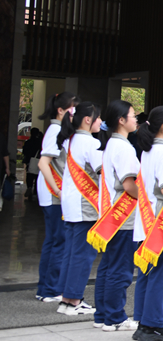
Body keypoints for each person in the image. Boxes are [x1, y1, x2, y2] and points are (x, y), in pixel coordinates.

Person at [91, 101, 140, 332]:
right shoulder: (124, 148)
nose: (135, 119)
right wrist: (148, 199)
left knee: (108, 267)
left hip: (111, 215)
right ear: (121, 120)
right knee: (120, 269)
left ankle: (102, 314)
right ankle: (115, 316)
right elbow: (129, 184)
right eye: (132, 115)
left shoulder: (111, 143)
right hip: (124, 217)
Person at [132, 106, 163, 341]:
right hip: (162, 223)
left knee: (147, 274)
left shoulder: (147, 151)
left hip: (146, 220)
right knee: (162, 275)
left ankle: (142, 322)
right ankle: (152, 324)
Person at [56, 101, 103, 316]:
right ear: (88, 120)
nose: (101, 122)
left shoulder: (71, 140)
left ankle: (66, 299)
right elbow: (103, 172)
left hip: (72, 204)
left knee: (71, 252)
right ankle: (74, 299)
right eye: (98, 118)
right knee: (83, 255)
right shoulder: (91, 144)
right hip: (87, 204)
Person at [35, 91, 78, 302]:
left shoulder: (58, 129)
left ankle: (46, 287)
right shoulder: (56, 130)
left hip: (52, 194)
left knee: (53, 241)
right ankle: (50, 289)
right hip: (54, 195)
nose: (75, 112)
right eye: (72, 108)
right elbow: (43, 163)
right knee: (58, 241)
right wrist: (59, 191)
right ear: (61, 110)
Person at [22, 128, 42, 200]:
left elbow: (24, 152)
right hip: (39, 162)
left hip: (29, 162)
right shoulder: (40, 142)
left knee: (29, 176)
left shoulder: (28, 142)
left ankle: (29, 187)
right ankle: (35, 192)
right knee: (37, 177)